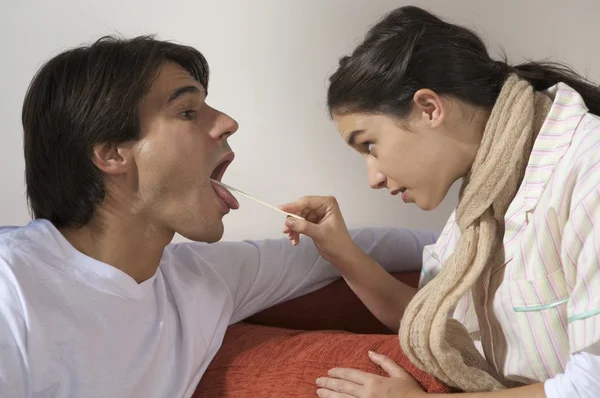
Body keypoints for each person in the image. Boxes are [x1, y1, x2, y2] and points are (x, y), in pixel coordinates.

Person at [0, 35, 438, 397]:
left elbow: (333, 250)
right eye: (187, 111)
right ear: (112, 152)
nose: (228, 122)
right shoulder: (11, 286)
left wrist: (469, 245)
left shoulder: (200, 282)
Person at [281, 5, 600, 398]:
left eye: (369, 145)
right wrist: (341, 252)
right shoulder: (481, 201)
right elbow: (433, 323)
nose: (373, 178)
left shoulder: (588, 170)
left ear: (429, 108)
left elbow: (592, 385)